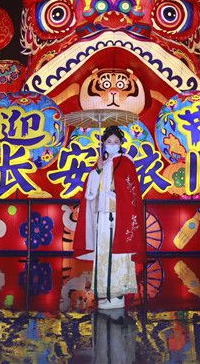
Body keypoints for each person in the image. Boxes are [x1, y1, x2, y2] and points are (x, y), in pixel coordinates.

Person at [74, 125, 145, 310]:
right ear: (104, 144)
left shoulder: (125, 162)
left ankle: (118, 294)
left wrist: (115, 192)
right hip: (102, 217)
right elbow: (90, 194)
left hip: (118, 217)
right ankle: (104, 293)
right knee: (103, 255)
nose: (112, 144)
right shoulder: (102, 163)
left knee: (118, 255)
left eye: (116, 142)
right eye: (109, 142)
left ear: (121, 143)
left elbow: (130, 192)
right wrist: (97, 171)